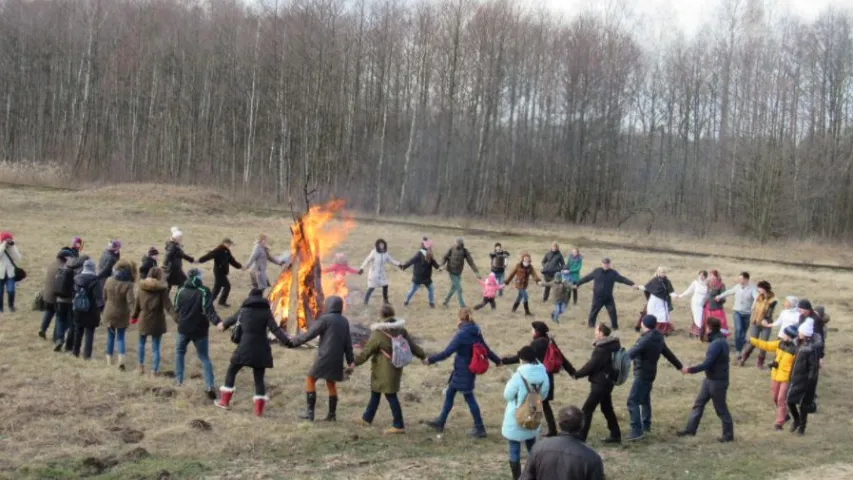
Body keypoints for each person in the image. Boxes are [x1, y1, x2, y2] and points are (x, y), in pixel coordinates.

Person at [424, 308, 502, 438]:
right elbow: (486, 349)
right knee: (450, 392)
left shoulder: (461, 334)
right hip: (466, 369)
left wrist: (430, 360)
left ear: (460, 319)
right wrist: (497, 360)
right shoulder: (476, 331)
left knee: (469, 397)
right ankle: (440, 421)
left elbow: (446, 353)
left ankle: (480, 428)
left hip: (463, 370)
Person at [215, 289, 291, 416]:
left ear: (249, 297)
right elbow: (275, 329)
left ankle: (224, 401)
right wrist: (288, 342)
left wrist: (222, 325)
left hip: (244, 347)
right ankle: (258, 411)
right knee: (259, 379)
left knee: (232, 370)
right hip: (261, 349)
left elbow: (231, 320)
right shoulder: (266, 311)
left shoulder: (244, 310)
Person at [354, 304, 426, 433]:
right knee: (375, 393)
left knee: (391, 396)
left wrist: (354, 363)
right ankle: (367, 418)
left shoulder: (378, 334)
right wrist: (423, 356)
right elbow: (412, 346)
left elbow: (366, 352)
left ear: (381, 316)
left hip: (383, 370)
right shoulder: (401, 330)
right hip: (395, 367)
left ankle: (398, 425)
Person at [502, 322, 576, 437]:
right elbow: (561, 357)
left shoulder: (536, 344)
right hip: (546, 377)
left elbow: (523, 357)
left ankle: (530, 424)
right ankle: (550, 429)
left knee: (532, 402)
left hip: (535, 378)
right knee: (543, 404)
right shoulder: (550, 341)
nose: (531, 332)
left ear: (537, 332)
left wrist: (504, 361)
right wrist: (572, 372)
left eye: (532, 330)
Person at [288, 296, 354, 422]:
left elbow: (310, 334)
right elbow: (348, 343)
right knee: (331, 382)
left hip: (324, 356)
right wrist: (350, 361)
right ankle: (332, 414)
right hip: (337, 358)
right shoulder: (344, 321)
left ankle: (310, 413)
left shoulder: (325, 319)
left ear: (328, 305)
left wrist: (294, 342)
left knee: (311, 378)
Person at [676, 317, 734, 442]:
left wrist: (690, 370)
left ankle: (728, 435)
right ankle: (690, 429)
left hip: (716, 381)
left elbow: (707, 364)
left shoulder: (716, 344)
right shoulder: (721, 340)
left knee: (721, 409)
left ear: (709, 328)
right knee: (699, 404)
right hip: (711, 380)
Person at [625, 315, 683, 440]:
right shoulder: (658, 337)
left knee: (632, 401)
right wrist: (680, 367)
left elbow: (631, 353)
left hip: (642, 373)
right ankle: (646, 424)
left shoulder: (645, 340)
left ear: (644, 325)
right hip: (651, 373)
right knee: (645, 399)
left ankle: (636, 430)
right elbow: (668, 353)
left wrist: (617, 359)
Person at [502, 346, 551, 480]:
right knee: (532, 445)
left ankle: (517, 477)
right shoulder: (544, 374)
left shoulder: (518, 376)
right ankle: (534, 474)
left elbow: (507, 395)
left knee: (514, 446)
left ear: (522, 360)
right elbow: (544, 395)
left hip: (516, 415)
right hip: (534, 413)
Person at [519, 405, 605, 480]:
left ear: (558, 423)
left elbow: (526, 477)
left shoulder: (539, 447)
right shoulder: (592, 458)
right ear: (582, 425)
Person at [173, 268, 222, 399]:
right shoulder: (204, 291)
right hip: (200, 329)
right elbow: (208, 309)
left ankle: (178, 381)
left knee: (179, 352)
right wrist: (218, 322)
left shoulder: (181, 290)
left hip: (183, 328)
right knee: (204, 357)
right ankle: (209, 385)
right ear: (198, 277)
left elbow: (176, 307)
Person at [573, 324, 622, 444]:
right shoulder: (612, 346)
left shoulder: (601, 349)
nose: (595, 333)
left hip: (600, 383)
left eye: (596, 331)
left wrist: (577, 374)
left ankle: (581, 436)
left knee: (587, 409)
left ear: (601, 333)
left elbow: (591, 366)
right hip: (608, 381)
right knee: (606, 408)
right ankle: (615, 434)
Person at [748, 324, 799, 430]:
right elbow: (766, 345)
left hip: (785, 378)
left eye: (785, 333)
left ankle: (779, 423)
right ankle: (785, 415)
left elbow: (795, 366)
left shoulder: (795, 350)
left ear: (790, 336)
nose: (783, 335)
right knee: (775, 398)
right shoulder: (780, 343)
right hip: (775, 376)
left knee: (781, 399)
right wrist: (752, 340)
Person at [132, 267, 175, 376]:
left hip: (144, 319)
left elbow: (137, 306)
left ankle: (140, 367)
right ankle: (154, 371)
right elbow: (169, 306)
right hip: (157, 321)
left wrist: (133, 317)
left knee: (141, 344)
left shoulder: (141, 288)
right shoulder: (162, 290)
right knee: (156, 347)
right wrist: (177, 318)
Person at [574, 257, 638, 330]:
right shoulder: (596, 271)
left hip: (608, 298)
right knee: (593, 312)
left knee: (613, 312)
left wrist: (632, 284)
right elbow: (587, 278)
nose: (606, 265)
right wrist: (577, 284)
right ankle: (591, 326)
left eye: (607, 264)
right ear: (602, 264)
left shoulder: (613, 273)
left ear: (609, 264)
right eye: (604, 263)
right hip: (597, 298)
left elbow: (622, 279)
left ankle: (615, 327)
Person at [787, 320, 820, 435]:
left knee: (803, 405)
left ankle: (802, 427)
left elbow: (813, 367)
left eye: (800, 331)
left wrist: (810, 381)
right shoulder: (798, 344)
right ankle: (796, 420)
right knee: (789, 400)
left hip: (805, 380)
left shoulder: (811, 349)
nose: (798, 333)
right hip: (795, 378)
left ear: (805, 333)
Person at [103, 260, 136, 370]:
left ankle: (108, 361)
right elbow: (131, 302)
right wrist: (135, 314)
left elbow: (104, 297)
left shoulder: (108, 280)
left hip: (109, 312)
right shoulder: (129, 284)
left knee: (110, 336)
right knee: (120, 337)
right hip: (122, 313)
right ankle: (121, 360)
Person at [55, 250, 90, 353]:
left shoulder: (65, 265)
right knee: (72, 324)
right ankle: (69, 346)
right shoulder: (78, 269)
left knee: (60, 320)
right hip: (70, 300)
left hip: (59, 298)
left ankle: (59, 339)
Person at [39, 247, 78, 340]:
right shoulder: (63, 268)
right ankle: (56, 337)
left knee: (49, 311)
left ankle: (42, 329)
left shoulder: (52, 264)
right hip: (56, 296)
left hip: (47, 295)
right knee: (60, 317)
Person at [716, 272, 756, 360]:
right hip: (737, 311)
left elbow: (756, 298)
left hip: (747, 313)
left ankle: (741, 344)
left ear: (746, 279)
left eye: (741, 279)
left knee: (743, 332)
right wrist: (719, 296)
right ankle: (738, 350)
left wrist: (753, 306)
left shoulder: (752, 288)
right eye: (739, 279)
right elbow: (729, 292)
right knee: (738, 329)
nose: (739, 280)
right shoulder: (737, 287)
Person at [738, 281, 777, 368]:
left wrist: (765, 319)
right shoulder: (758, 297)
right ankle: (744, 357)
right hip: (755, 322)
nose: (758, 290)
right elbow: (754, 308)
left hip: (766, 324)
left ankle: (760, 362)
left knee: (763, 343)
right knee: (753, 341)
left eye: (760, 288)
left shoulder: (773, 300)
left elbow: (769, 312)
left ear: (765, 289)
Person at [71, 259, 104, 359]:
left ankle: (75, 351)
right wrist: (102, 310)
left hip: (78, 308)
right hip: (91, 310)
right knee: (89, 332)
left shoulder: (76, 279)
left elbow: (73, 293)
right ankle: (87, 355)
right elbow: (98, 297)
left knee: (78, 330)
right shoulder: (95, 280)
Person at [198, 238, 243, 307]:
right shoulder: (218, 250)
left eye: (230, 244)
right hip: (219, 272)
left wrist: (240, 266)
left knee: (217, 288)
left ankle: (208, 303)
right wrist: (199, 260)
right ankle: (221, 302)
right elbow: (209, 256)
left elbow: (232, 261)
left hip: (223, 272)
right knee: (227, 286)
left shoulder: (227, 251)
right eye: (229, 244)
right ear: (224, 243)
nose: (230, 245)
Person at [440, 237, 481, 308]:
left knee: (453, 288)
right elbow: (445, 257)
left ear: (461, 243)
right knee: (459, 289)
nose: (456, 244)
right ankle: (462, 306)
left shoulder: (465, 251)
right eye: (456, 242)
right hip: (451, 271)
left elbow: (471, 262)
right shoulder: (452, 248)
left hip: (458, 273)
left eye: (458, 243)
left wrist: (476, 272)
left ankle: (445, 302)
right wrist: (442, 265)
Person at [400, 240, 441, 308]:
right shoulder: (423, 254)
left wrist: (438, 268)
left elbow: (433, 263)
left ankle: (431, 303)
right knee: (417, 289)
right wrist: (404, 266)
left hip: (422, 277)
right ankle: (407, 301)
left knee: (425, 289)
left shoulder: (426, 254)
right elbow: (412, 260)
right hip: (422, 277)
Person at [359, 238, 400, 305]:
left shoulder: (385, 253)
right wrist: (362, 268)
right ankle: (365, 302)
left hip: (382, 273)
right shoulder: (374, 252)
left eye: (383, 244)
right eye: (380, 244)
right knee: (371, 288)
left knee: (385, 285)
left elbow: (391, 260)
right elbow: (367, 260)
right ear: (377, 245)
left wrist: (399, 264)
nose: (381, 245)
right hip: (373, 273)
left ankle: (385, 301)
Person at [638, 267, 676, 335]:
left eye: (664, 272)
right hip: (653, 301)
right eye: (662, 272)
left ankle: (663, 331)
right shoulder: (654, 280)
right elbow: (646, 287)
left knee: (663, 316)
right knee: (651, 315)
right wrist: (638, 287)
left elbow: (671, 291)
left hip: (662, 302)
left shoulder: (667, 281)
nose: (663, 273)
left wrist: (674, 296)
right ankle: (649, 329)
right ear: (658, 272)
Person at [677, 270, 709, 338]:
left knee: (701, 318)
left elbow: (708, 295)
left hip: (702, 303)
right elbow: (689, 290)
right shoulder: (695, 283)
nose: (701, 277)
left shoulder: (707, 285)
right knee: (697, 317)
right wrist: (681, 295)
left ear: (705, 277)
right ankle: (698, 333)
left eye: (703, 276)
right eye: (700, 275)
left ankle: (697, 332)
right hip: (695, 302)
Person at [163, 227, 195, 292]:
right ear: (176, 237)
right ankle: (178, 296)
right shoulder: (173, 246)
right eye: (180, 237)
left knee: (169, 285)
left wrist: (192, 260)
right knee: (183, 282)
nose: (181, 238)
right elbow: (167, 256)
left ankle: (165, 298)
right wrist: (164, 266)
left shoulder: (175, 245)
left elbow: (181, 255)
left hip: (174, 268)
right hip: (173, 269)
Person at [703, 270, 729, 337]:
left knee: (720, 322)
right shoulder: (708, 284)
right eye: (711, 275)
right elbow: (706, 294)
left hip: (717, 308)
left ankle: (721, 335)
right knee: (709, 322)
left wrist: (719, 298)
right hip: (708, 307)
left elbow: (724, 296)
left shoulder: (721, 285)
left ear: (717, 276)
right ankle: (709, 335)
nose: (712, 277)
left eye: (713, 276)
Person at [0, 231, 22, 313]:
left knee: (11, 290)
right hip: (0, 273)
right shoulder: (1, 246)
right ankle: (0, 308)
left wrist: (12, 248)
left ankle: (11, 306)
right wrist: (3, 246)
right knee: (0, 292)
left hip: (10, 273)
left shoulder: (12, 247)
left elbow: (18, 258)